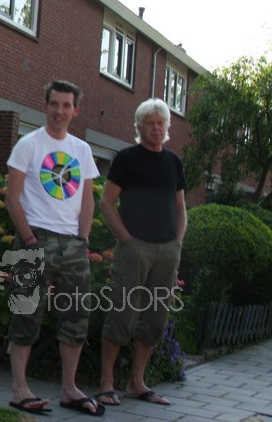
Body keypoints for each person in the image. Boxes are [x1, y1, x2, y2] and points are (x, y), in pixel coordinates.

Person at [4, 80, 104, 417]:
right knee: (25, 313)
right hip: (34, 239)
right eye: (54, 104)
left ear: (75, 110)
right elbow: (12, 198)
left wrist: (83, 238)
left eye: (66, 106)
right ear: (45, 105)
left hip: (72, 244)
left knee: (76, 317)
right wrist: (29, 239)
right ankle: (19, 389)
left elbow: (87, 200)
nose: (59, 111)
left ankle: (69, 389)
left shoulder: (82, 150)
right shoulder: (28, 144)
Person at [96, 98, 186, 407]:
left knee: (156, 320)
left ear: (167, 127)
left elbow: (180, 208)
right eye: (150, 123)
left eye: (161, 123)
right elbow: (106, 203)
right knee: (122, 315)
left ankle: (136, 383)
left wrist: (177, 244)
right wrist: (126, 239)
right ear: (139, 127)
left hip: (167, 250)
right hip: (134, 248)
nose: (156, 128)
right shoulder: (126, 159)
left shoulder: (174, 163)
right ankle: (106, 383)